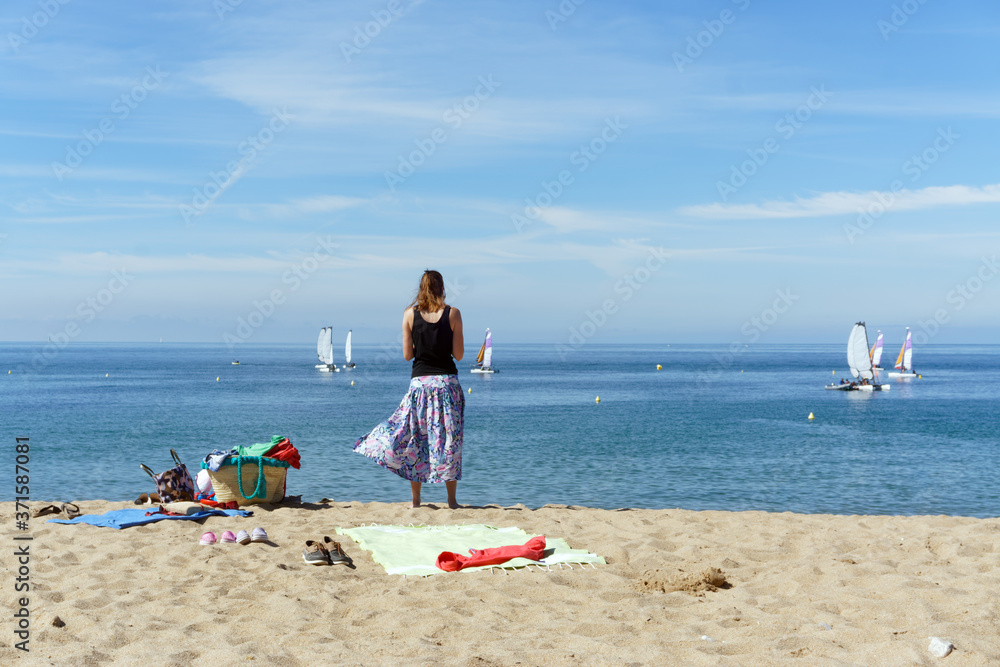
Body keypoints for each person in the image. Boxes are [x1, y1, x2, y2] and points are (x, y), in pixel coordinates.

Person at [353, 270, 466, 509]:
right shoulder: (453, 314)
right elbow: (459, 355)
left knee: (415, 439)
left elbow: (407, 356)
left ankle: (416, 501)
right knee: (450, 442)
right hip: (447, 386)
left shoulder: (409, 315)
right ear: (442, 287)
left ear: (421, 288)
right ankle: (452, 502)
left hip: (420, 385)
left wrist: (422, 345)